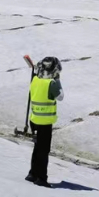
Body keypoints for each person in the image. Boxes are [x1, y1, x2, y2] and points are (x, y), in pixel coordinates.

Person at [24, 54, 63, 187]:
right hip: (45, 122)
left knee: (37, 148)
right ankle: (41, 178)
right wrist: (57, 81)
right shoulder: (51, 83)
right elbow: (60, 97)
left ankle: (32, 173)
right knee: (43, 151)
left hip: (34, 119)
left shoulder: (35, 80)